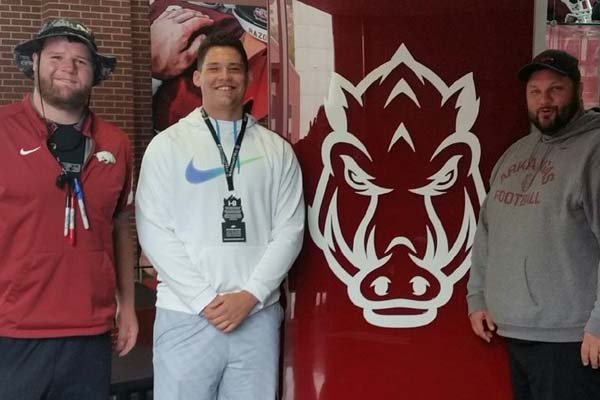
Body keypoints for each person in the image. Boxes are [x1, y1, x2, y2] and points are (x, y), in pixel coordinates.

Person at [136, 33, 304, 400]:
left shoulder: (276, 150)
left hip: (256, 317)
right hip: (186, 315)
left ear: (246, 77)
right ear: (197, 78)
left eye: (234, 68)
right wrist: (203, 300)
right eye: (213, 68)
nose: (223, 76)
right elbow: (153, 229)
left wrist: (251, 296)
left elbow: (290, 229)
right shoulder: (167, 146)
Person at [0, 18, 138, 400]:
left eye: (81, 60)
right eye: (57, 56)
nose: (68, 66)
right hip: (13, 330)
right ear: (35, 62)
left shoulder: (117, 143)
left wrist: (127, 306)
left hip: (89, 331)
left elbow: (120, 223)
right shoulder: (2, 130)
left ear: (94, 74)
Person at [467, 49, 600, 399]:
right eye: (535, 91)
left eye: (555, 89)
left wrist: (599, 326)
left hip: (571, 340)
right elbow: (487, 232)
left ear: (578, 88)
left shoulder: (594, 152)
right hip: (514, 331)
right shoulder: (515, 153)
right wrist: (478, 296)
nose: (545, 100)